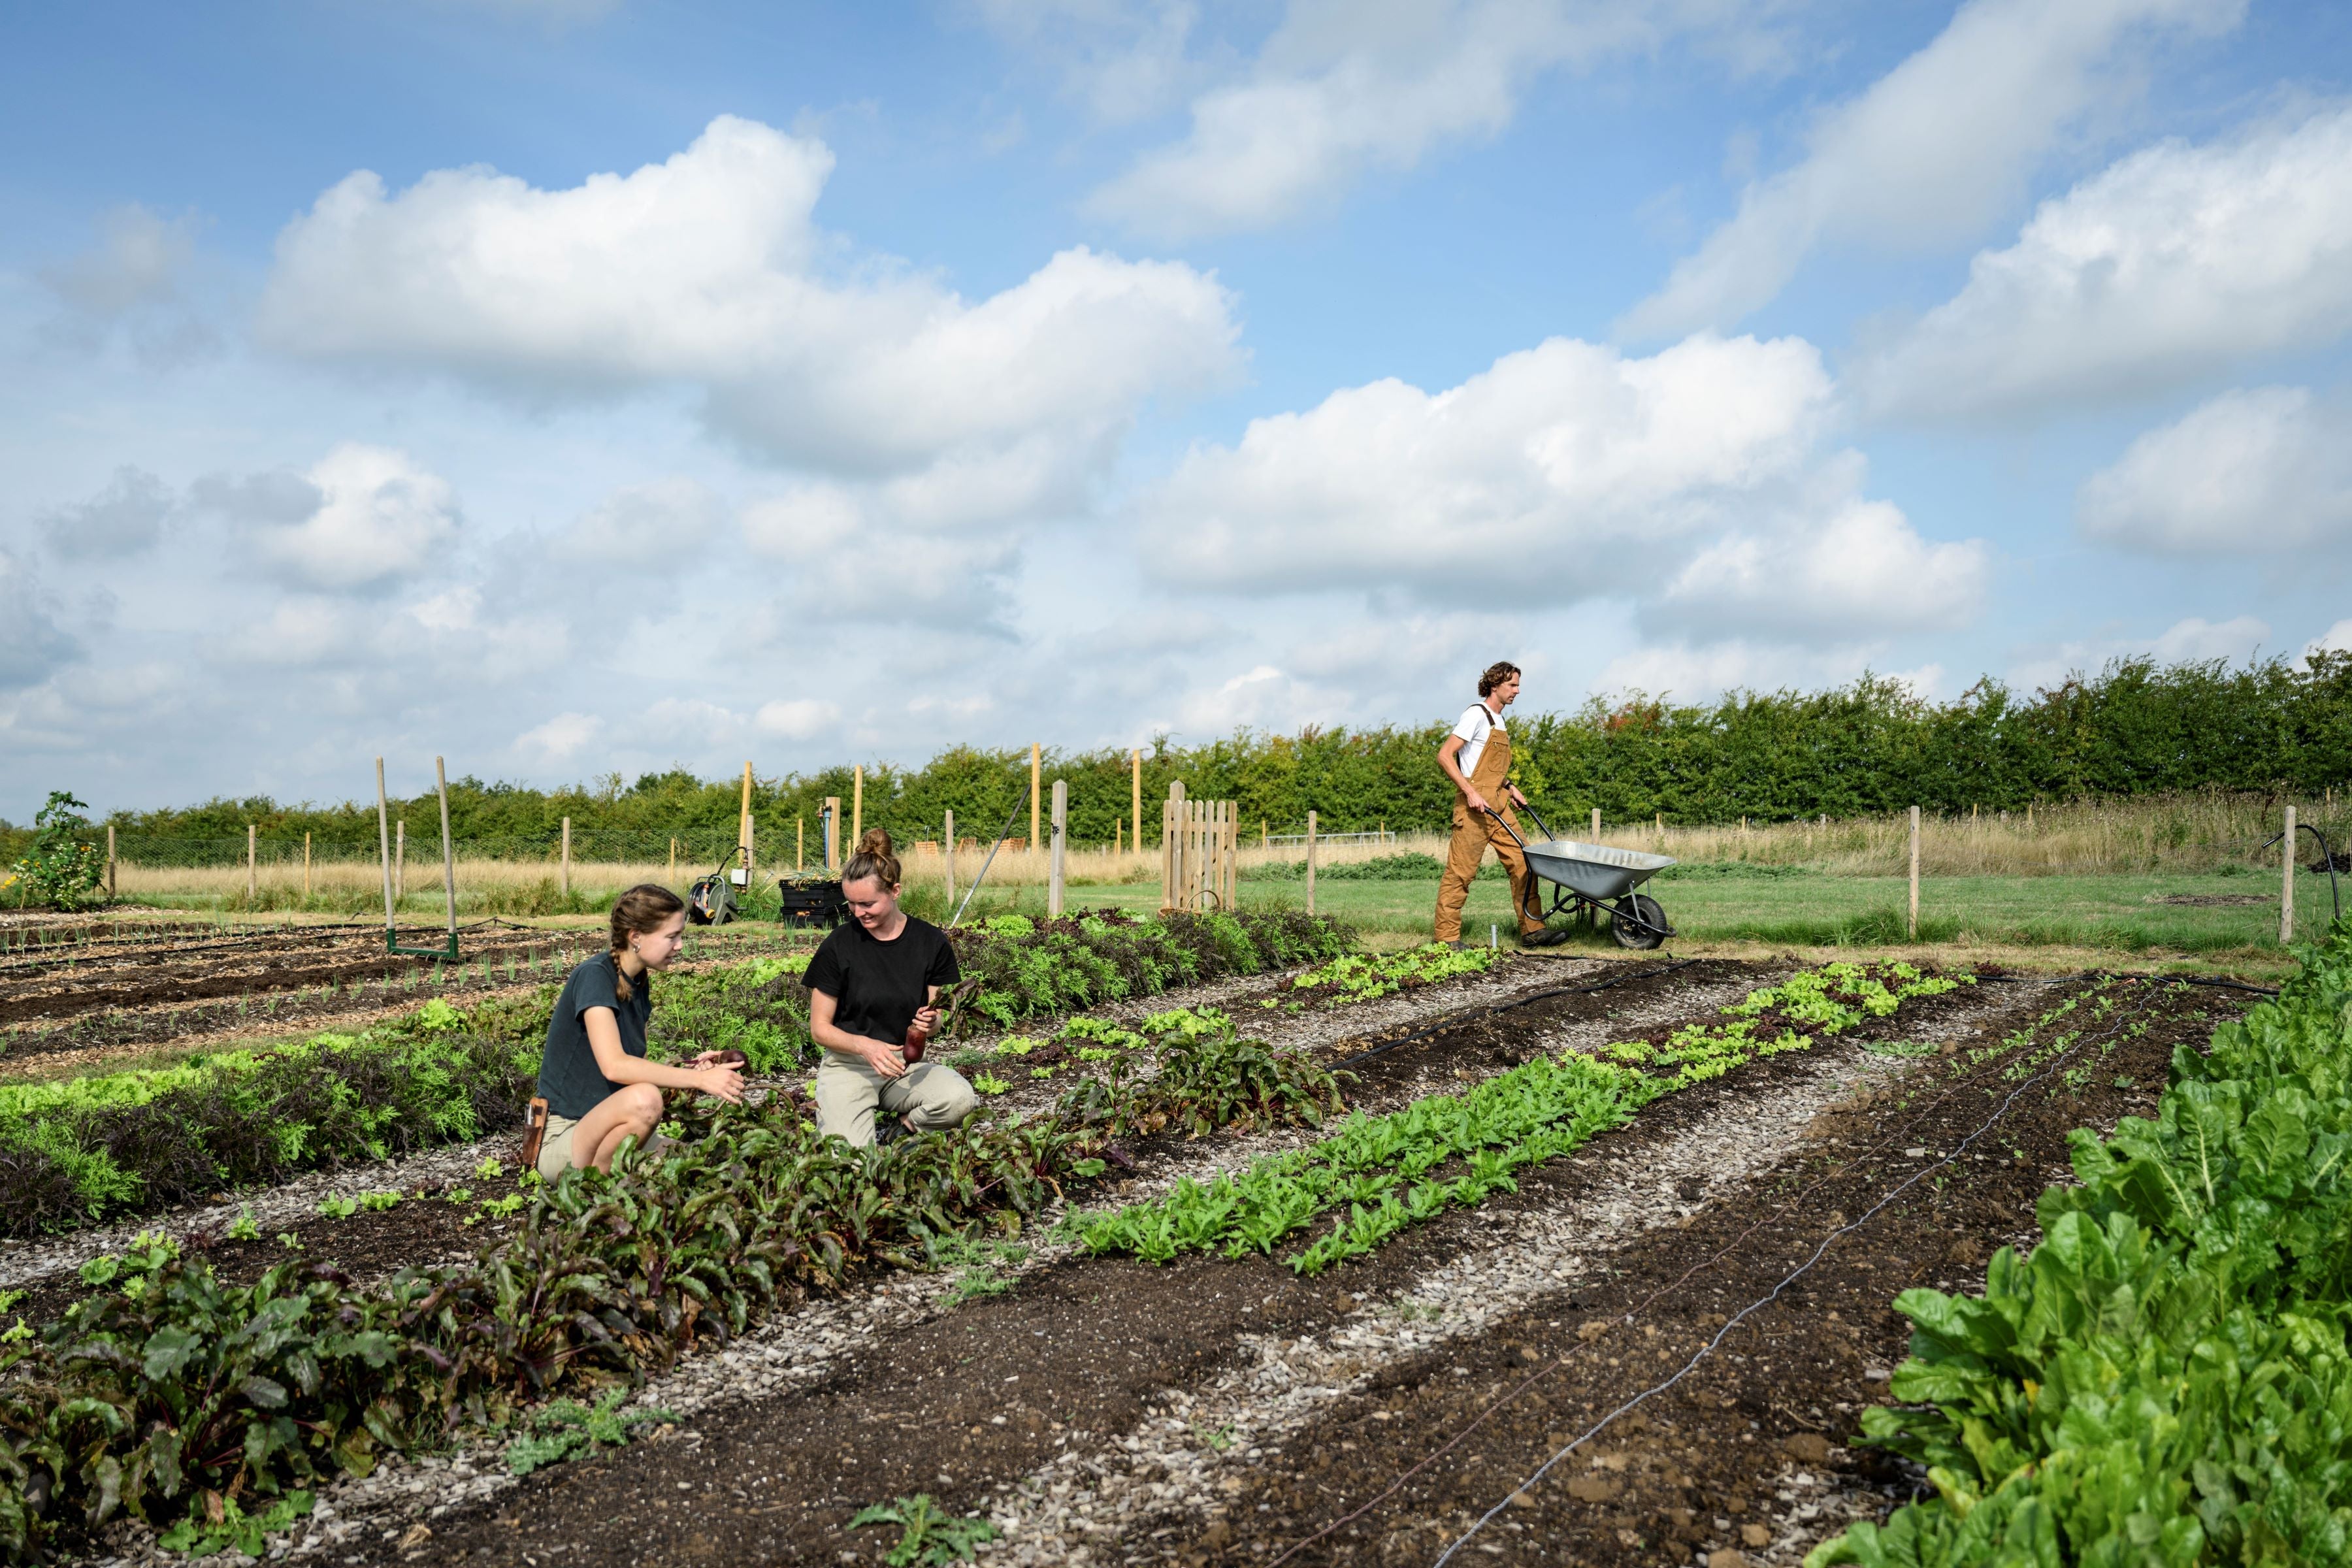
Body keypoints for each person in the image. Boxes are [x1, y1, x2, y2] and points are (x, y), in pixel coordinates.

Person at [532, 883, 746, 1179]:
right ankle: (596, 1191)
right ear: (636, 937)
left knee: (704, 1166)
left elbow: (637, 1068)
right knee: (645, 1100)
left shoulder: (638, 982)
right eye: (672, 936)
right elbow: (615, 1067)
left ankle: (620, 1180)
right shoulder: (594, 976)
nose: (680, 945)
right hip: (568, 1136)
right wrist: (699, 1082)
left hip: (609, 1129)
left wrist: (695, 1069)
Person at [807, 828, 979, 1147]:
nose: (859, 913)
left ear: (895, 891)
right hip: (850, 1065)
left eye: (868, 903)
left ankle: (905, 1126)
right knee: (849, 1158)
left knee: (960, 1101)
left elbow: (937, 1018)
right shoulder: (839, 945)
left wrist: (931, 1024)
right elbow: (819, 1030)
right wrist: (865, 1046)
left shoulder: (930, 942)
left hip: (903, 1064)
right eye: (852, 905)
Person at [1435, 661, 1566, 949]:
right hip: (1474, 808)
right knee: (1461, 872)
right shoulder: (1476, 715)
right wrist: (1470, 792)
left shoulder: (1499, 721)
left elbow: (1488, 768)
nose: (1517, 691)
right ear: (1495, 685)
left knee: (1525, 862)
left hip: (1499, 802)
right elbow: (1445, 756)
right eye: (1513, 685)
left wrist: (1510, 786)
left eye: (1518, 685)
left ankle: (1533, 930)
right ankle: (1447, 938)